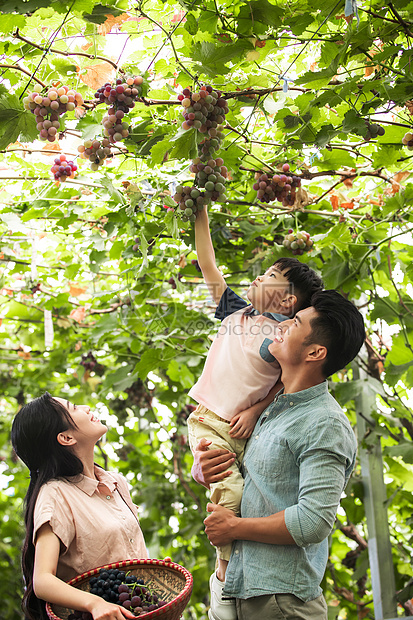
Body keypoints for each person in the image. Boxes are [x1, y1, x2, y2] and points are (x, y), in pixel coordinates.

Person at [191, 289, 366, 620]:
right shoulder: (268, 409)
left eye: (295, 322)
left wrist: (235, 528)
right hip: (237, 593)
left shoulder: (324, 423)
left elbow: (313, 522)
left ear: (315, 352)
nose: (280, 326)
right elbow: (248, 480)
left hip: (282, 603)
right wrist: (203, 471)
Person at [187, 206, 323, 620]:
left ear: (287, 299)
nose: (257, 278)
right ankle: (226, 574)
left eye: (268, 276)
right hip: (210, 417)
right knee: (228, 493)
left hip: (243, 428)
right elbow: (206, 262)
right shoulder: (236, 311)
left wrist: (257, 410)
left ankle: (235, 580)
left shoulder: (283, 338)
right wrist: (201, 214)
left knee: (250, 499)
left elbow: (290, 382)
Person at [11, 392, 148, 620]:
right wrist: (95, 603)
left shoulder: (116, 483)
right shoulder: (55, 493)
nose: (86, 407)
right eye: (74, 408)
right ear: (66, 438)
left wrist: (151, 569)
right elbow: (42, 580)